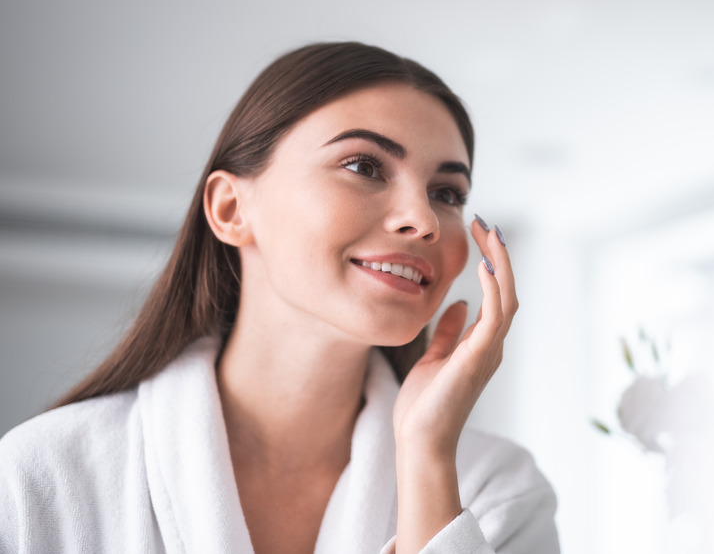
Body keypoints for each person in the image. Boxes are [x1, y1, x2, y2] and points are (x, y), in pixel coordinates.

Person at [0, 42, 559, 554]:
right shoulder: (41, 475)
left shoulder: (498, 491)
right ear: (230, 210)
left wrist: (428, 458)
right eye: (364, 166)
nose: (423, 220)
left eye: (447, 193)